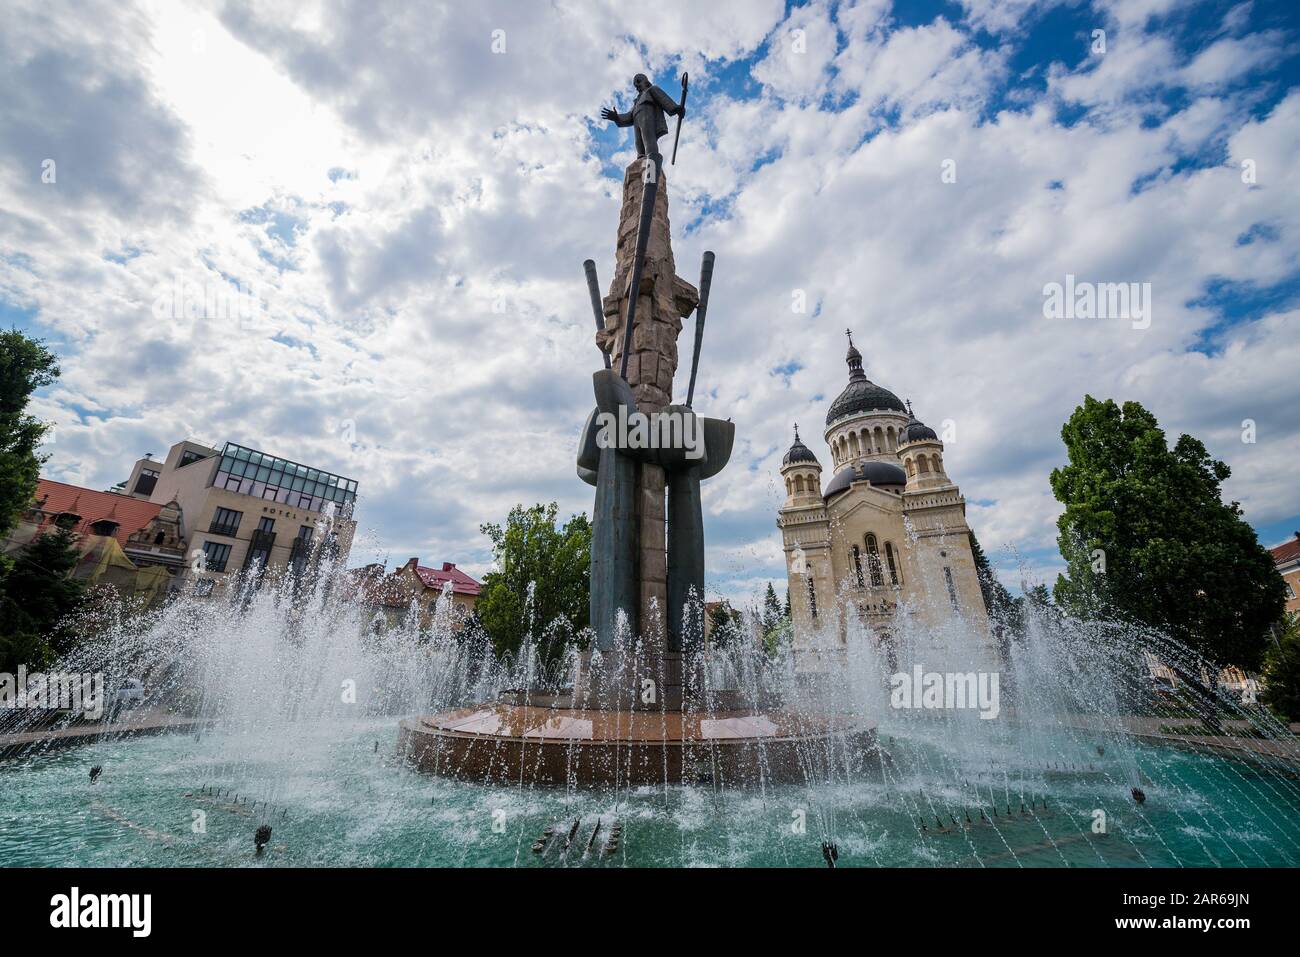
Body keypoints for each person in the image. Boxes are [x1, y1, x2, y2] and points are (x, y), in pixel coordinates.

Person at [600, 73, 684, 164]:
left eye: (639, 82)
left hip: (648, 117)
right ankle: (641, 162)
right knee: (639, 143)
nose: (637, 86)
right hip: (637, 121)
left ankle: (652, 163)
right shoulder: (636, 103)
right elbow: (628, 116)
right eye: (635, 85)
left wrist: (676, 108)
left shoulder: (652, 90)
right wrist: (616, 117)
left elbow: (664, 99)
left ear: (646, 81)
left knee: (648, 139)